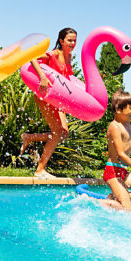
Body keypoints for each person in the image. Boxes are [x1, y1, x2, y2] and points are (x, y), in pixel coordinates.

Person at [19, 28, 77, 179]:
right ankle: (40, 170)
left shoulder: (68, 56)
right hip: (46, 95)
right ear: (62, 41)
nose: (72, 43)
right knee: (57, 133)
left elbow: (67, 78)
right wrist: (42, 77)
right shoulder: (55, 54)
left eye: (75, 40)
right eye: (69, 40)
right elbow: (31, 56)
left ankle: (29, 137)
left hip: (58, 99)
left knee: (63, 134)